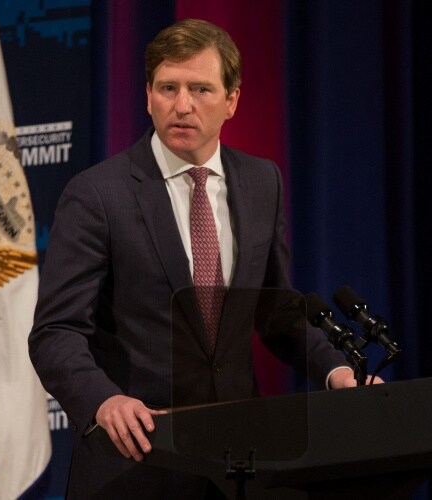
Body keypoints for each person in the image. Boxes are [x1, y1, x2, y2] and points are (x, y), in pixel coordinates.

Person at [29, 18, 375, 499]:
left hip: (237, 465)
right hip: (137, 460)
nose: (182, 105)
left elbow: (276, 310)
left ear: (232, 100)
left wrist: (336, 369)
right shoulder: (97, 195)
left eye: (201, 89)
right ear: (147, 95)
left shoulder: (261, 182)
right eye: (168, 87)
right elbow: (56, 332)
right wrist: (104, 401)